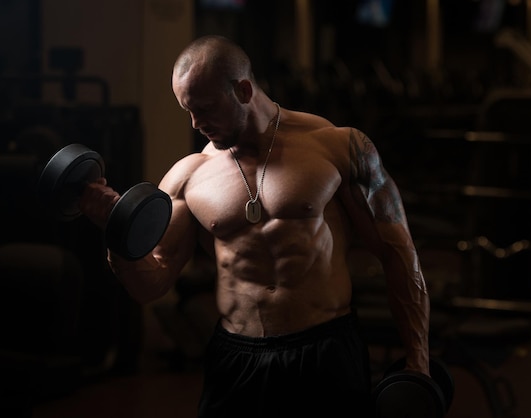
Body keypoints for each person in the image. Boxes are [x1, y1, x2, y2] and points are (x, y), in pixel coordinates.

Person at [80, 35, 430, 418]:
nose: (197, 124)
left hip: (325, 351)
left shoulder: (336, 146)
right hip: (237, 359)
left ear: (244, 89)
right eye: (188, 111)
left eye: (206, 108)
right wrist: (115, 231)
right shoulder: (188, 177)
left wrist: (418, 361)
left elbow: (398, 253)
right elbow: (151, 284)